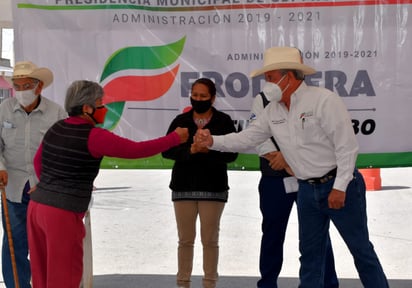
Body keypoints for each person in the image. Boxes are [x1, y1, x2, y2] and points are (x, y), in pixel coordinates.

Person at [195, 47, 389, 288]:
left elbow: (346, 147)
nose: (267, 84)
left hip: (339, 185)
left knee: (360, 250)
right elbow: (247, 137)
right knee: (310, 256)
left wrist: (339, 187)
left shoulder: (324, 100)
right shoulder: (271, 110)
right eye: (266, 78)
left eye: (271, 77)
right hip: (306, 189)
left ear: (290, 76)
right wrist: (212, 140)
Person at [26, 80, 189, 288]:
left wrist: (48, 186)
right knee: (63, 278)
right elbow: (136, 150)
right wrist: (175, 138)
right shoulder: (94, 136)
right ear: (87, 108)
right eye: (100, 103)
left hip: (37, 208)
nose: (104, 109)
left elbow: (37, 161)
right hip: (61, 213)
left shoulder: (56, 127)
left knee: (41, 276)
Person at [250, 88, 338, 288]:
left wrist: (290, 158)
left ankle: (328, 283)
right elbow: (258, 137)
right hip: (274, 178)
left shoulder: (315, 98)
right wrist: (287, 163)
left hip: (311, 178)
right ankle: (268, 284)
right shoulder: (263, 99)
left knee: (318, 233)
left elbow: (318, 135)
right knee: (272, 233)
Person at [162, 78, 238, 288]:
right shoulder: (181, 120)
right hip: (183, 187)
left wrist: (209, 150)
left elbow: (232, 154)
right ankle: (183, 282)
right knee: (185, 240)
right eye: (195, 95)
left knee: (210, 240)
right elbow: (166, 150)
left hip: (213, 188)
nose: (198, 99)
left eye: (203, 96)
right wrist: (191, 151)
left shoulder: (223, 121)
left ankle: (209, 282)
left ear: (213, 98)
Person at [0, 61, 67, 288]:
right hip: (13, 188)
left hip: (46, 191)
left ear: (39, 87)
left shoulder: (56, 112)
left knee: (47, 246)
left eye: (25, 86)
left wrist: (52, 182)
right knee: (14, 245)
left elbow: (63, 150)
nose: (21, 91)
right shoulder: (3, 110)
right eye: (16, 86)